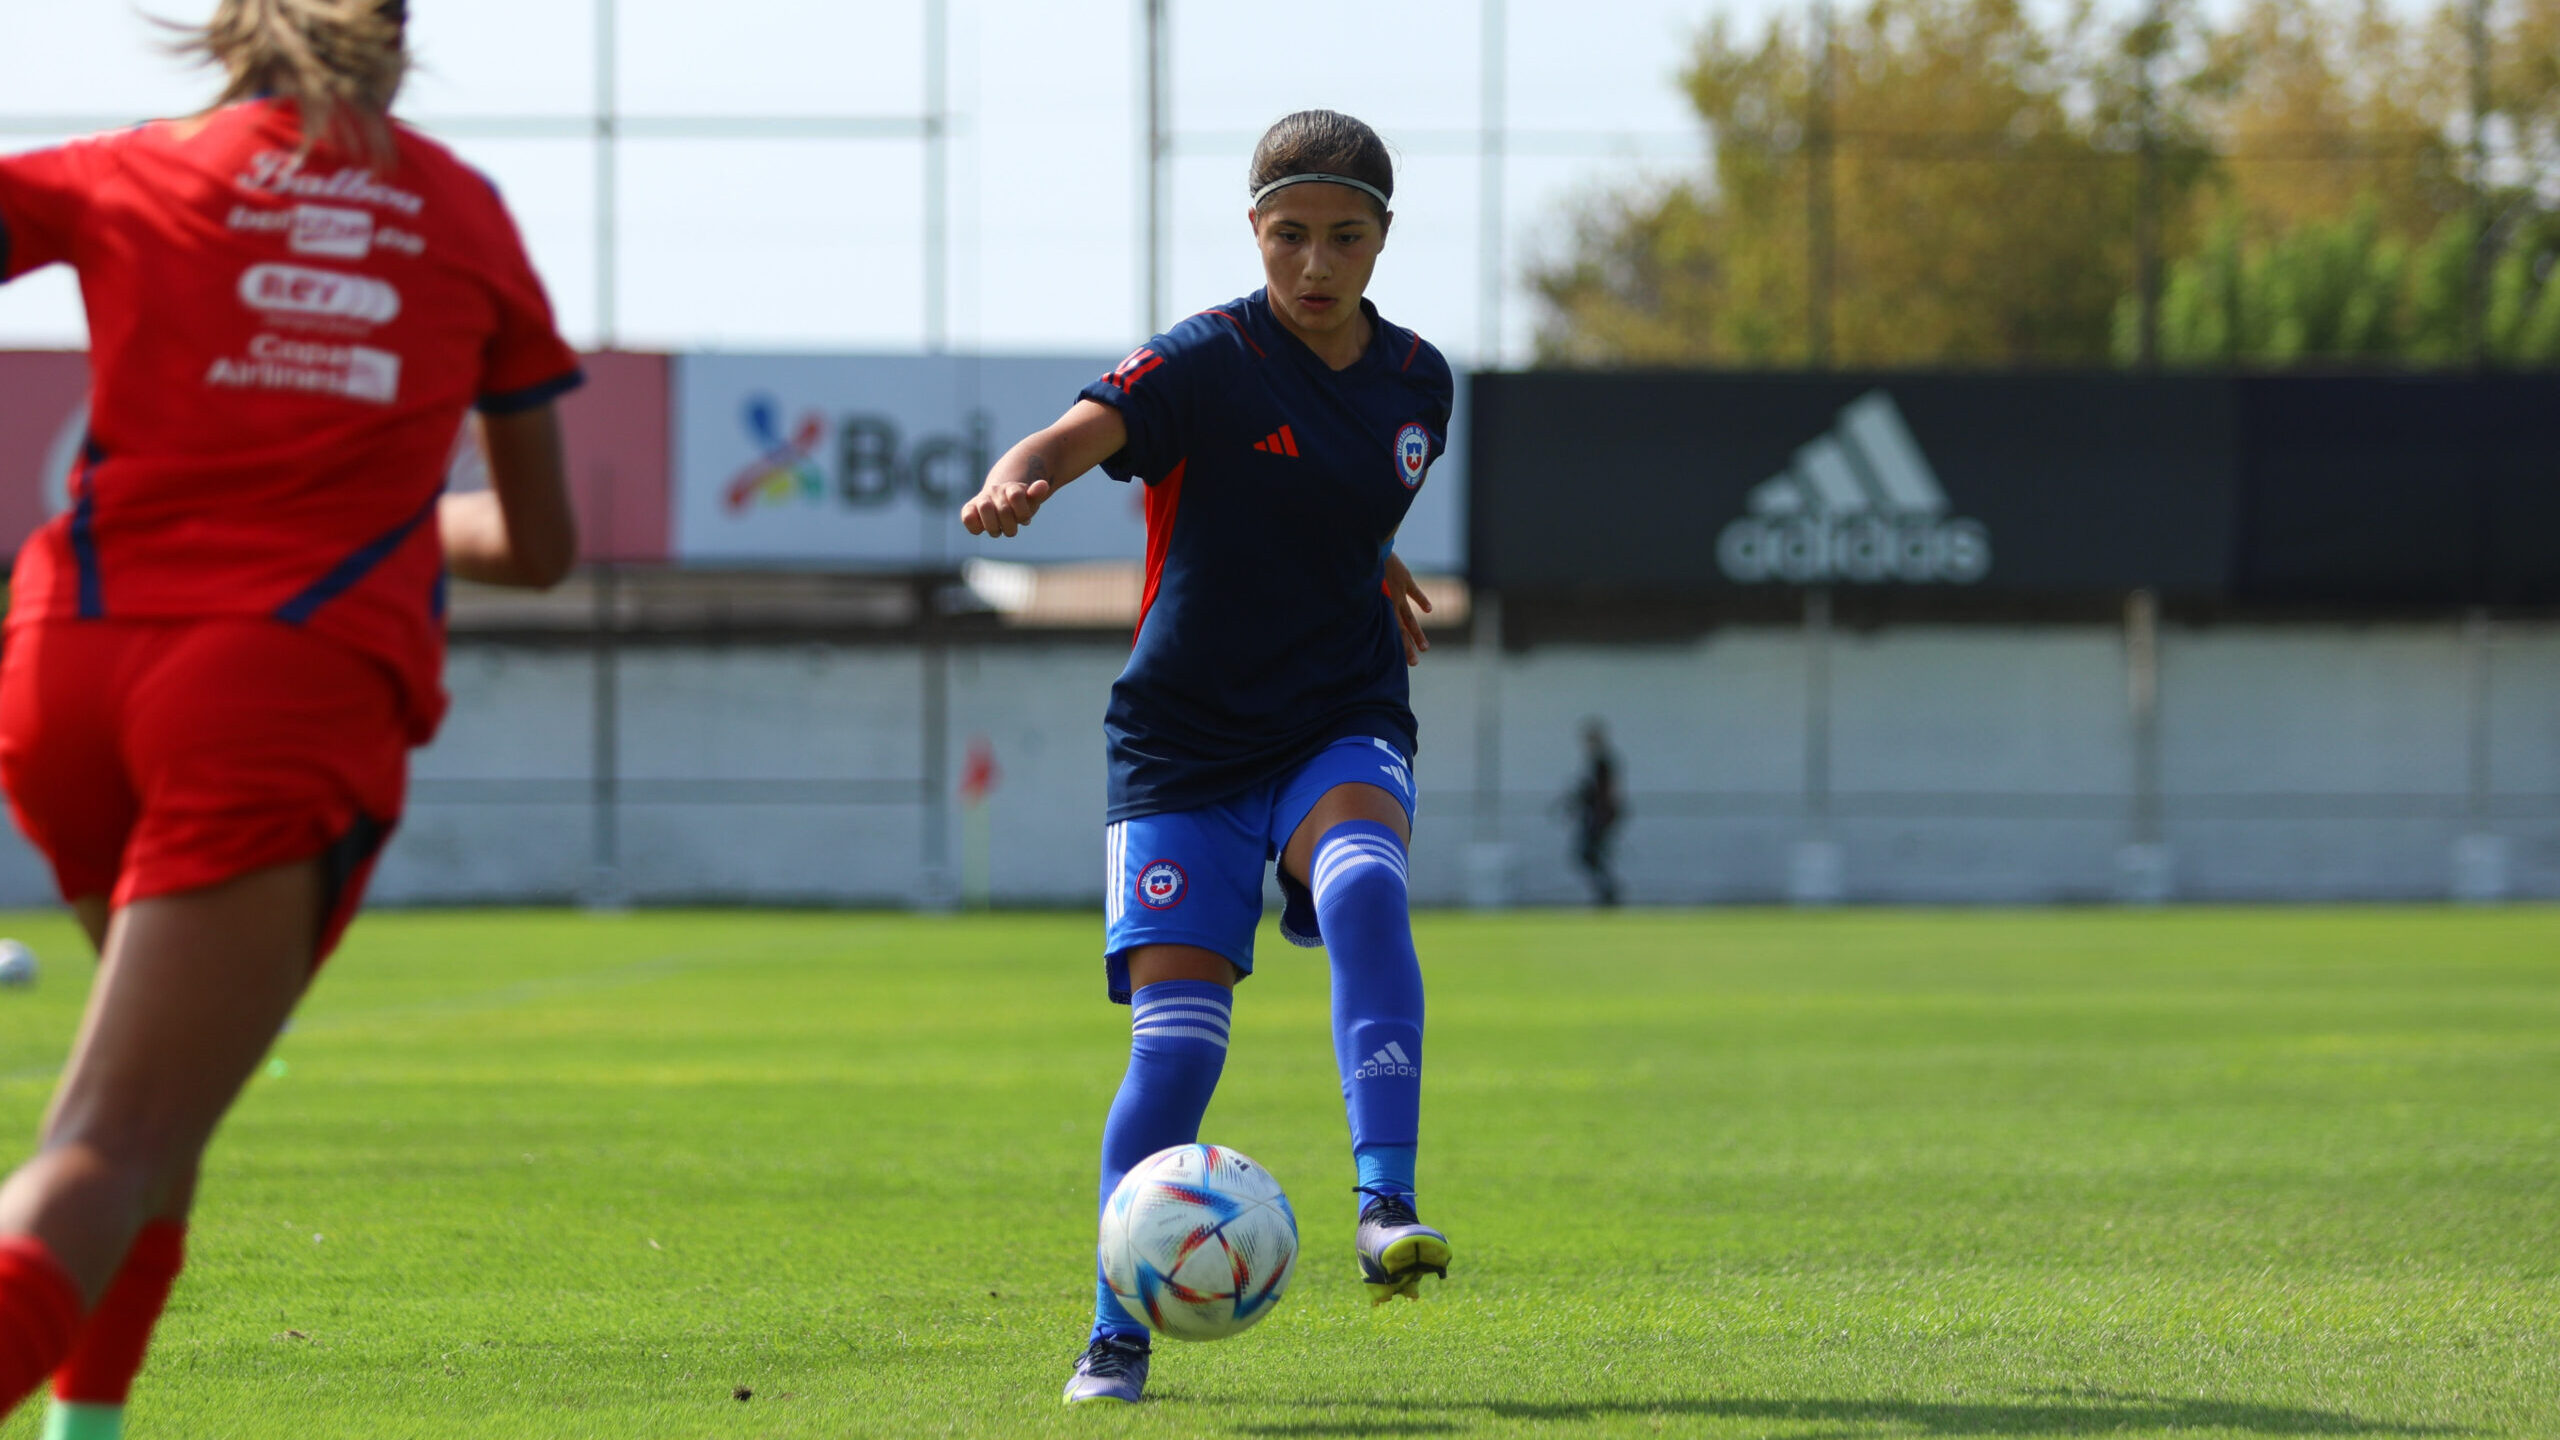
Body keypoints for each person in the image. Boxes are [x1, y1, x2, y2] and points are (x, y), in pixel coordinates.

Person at [0, 2, 582, 1433]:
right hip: (277, 687)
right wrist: (400, 525)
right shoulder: (457, 210)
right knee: (110, 1137)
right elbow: (537, 544)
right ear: (396, 37)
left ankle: (92, 1428)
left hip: (64, 666)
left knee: (159, 1123)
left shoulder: (136, 165)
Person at [960, 109, 1452, 1407]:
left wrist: (1369, 562)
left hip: (1340, 708)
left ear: (1381, 240)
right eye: (1289, 235)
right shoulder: (1206, 360)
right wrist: (1022, 481)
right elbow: (1077, 433)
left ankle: (1383, 1206)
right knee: (1175, 1055)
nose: (1314, 263)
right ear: (1254, 232)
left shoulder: (1419, 383)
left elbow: (1330, 498)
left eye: (1343, 238)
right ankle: (1115, 1328)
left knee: (1363, 883)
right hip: (1184, 743)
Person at [1568, 719, 1624, 907]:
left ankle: (1608, 893)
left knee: (1590, 854)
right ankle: (1606, 892)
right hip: (1595, 815)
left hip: (1599, 816)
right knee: (1591, 855)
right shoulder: (1596, 763)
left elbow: (1605, 792)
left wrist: (1602, 814)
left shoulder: (1602, 763)